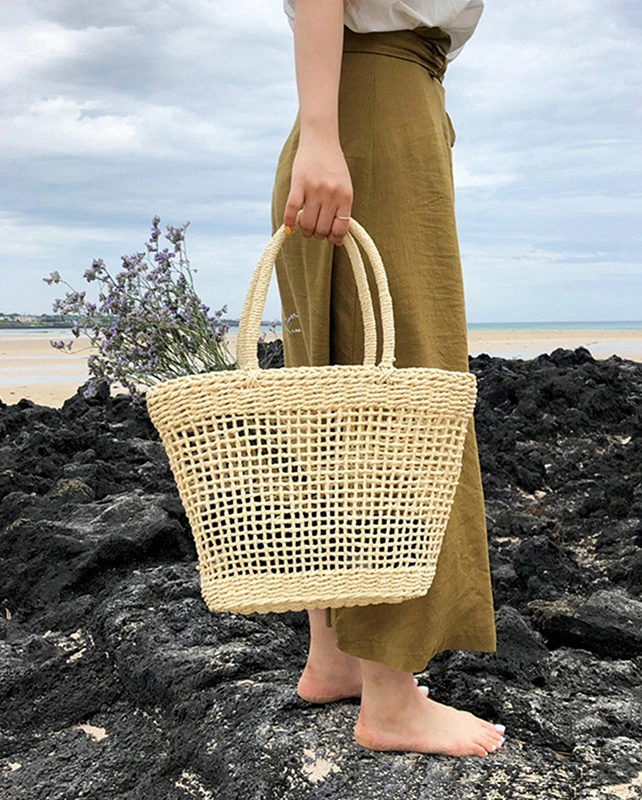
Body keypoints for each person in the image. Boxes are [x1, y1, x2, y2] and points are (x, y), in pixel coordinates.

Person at [270, 0, 505, 757]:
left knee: (338, 407)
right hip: (368, 117)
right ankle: (392, 702)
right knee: (401, 406)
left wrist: (322, 134)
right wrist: (322, 134)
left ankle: (334, 659)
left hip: (365, 117)